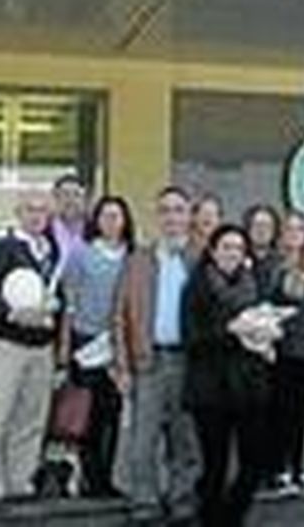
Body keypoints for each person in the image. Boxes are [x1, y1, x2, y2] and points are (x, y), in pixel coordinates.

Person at [0, 188, 64, 507]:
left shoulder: (52, 253)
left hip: (42, 349)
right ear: (18, 213)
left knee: (31, 421)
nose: (37, 215)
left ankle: (19, 484)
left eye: (42, 210)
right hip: (6, 346)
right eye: (30, 209)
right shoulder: (0, 249)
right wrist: (11, 313)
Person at [114, 186, 202, 523]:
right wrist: (121, 365)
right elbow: (119, 315)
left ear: (189, 216)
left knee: (186, 438)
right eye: (165, 210)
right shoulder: (138, 260)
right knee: (142, 440)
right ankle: (145, 501)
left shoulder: (199, 259)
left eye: (179, 210)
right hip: (148, 361)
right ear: (157, 216)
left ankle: (182, 498)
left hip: (189, 363)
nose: (172, 218)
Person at [183, 224, 270, 525]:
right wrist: (232, 332)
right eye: (226, 247)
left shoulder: (254, 283)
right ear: (213, 251)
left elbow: (264, 321)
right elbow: (193, 338)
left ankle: (229, 518)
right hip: (211, 388)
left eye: (238, 248)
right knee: (215, 466)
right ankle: (210, 519)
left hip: (249, 386)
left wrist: (267, 335)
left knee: (254, 462)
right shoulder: (197, 286)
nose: (232, 253)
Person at [60, 195, 134, 498]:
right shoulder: (82, 254)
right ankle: (92, 479)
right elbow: (70, 303)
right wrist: (65, 344)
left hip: (117, 344)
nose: (111, 222)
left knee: (112, 412)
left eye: (117, 216)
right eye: (105, 216)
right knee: (87, 415)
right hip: (86, 342)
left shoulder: (133, 256)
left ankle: (107, 476)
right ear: (96, 221)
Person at [266, 209, 304, 495]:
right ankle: (281, 469)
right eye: (289, 229)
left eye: (300, 229)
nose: (294, 234)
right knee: (282, 415)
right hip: (283, 352)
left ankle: (302, 467)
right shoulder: (274, 269)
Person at [50, 173, 91, 270]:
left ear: (85, 199)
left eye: (77, 195)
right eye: (65, 194)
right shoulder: (45, 231)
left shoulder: (95, 230)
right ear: (56, 198)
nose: (71, 200)